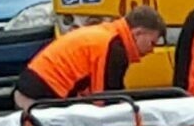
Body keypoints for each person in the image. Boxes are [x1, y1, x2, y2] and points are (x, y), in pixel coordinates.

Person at [13, 6, 166, 110]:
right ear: (137, 33)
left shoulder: (106, 34)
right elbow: (108, 100)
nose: (151, 50)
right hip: (41, 98)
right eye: (152, 43)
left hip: (34, 89)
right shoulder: (115, 49)